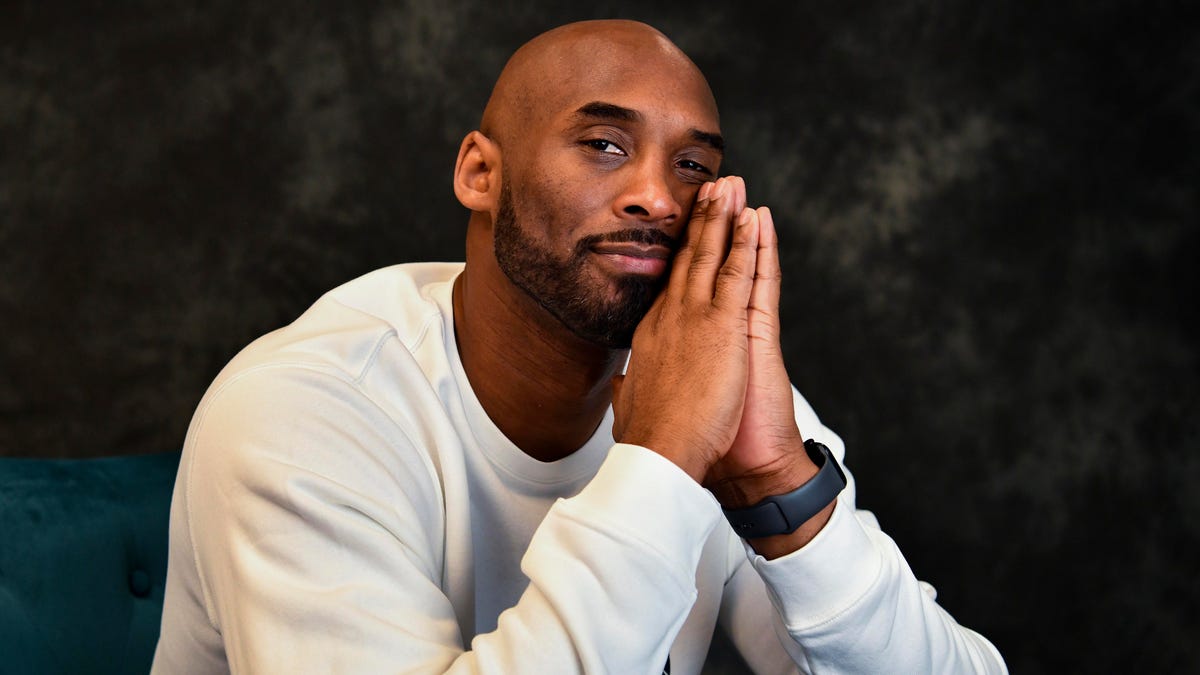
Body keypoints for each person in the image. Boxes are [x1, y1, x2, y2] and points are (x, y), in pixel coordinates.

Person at [152, 19, 1006, 674]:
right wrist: (663, 459)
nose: (658, 197)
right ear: (480, 174)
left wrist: (779, 486)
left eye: (693, 166)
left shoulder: (714, 387)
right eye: (604, 145)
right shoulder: (303, 412)